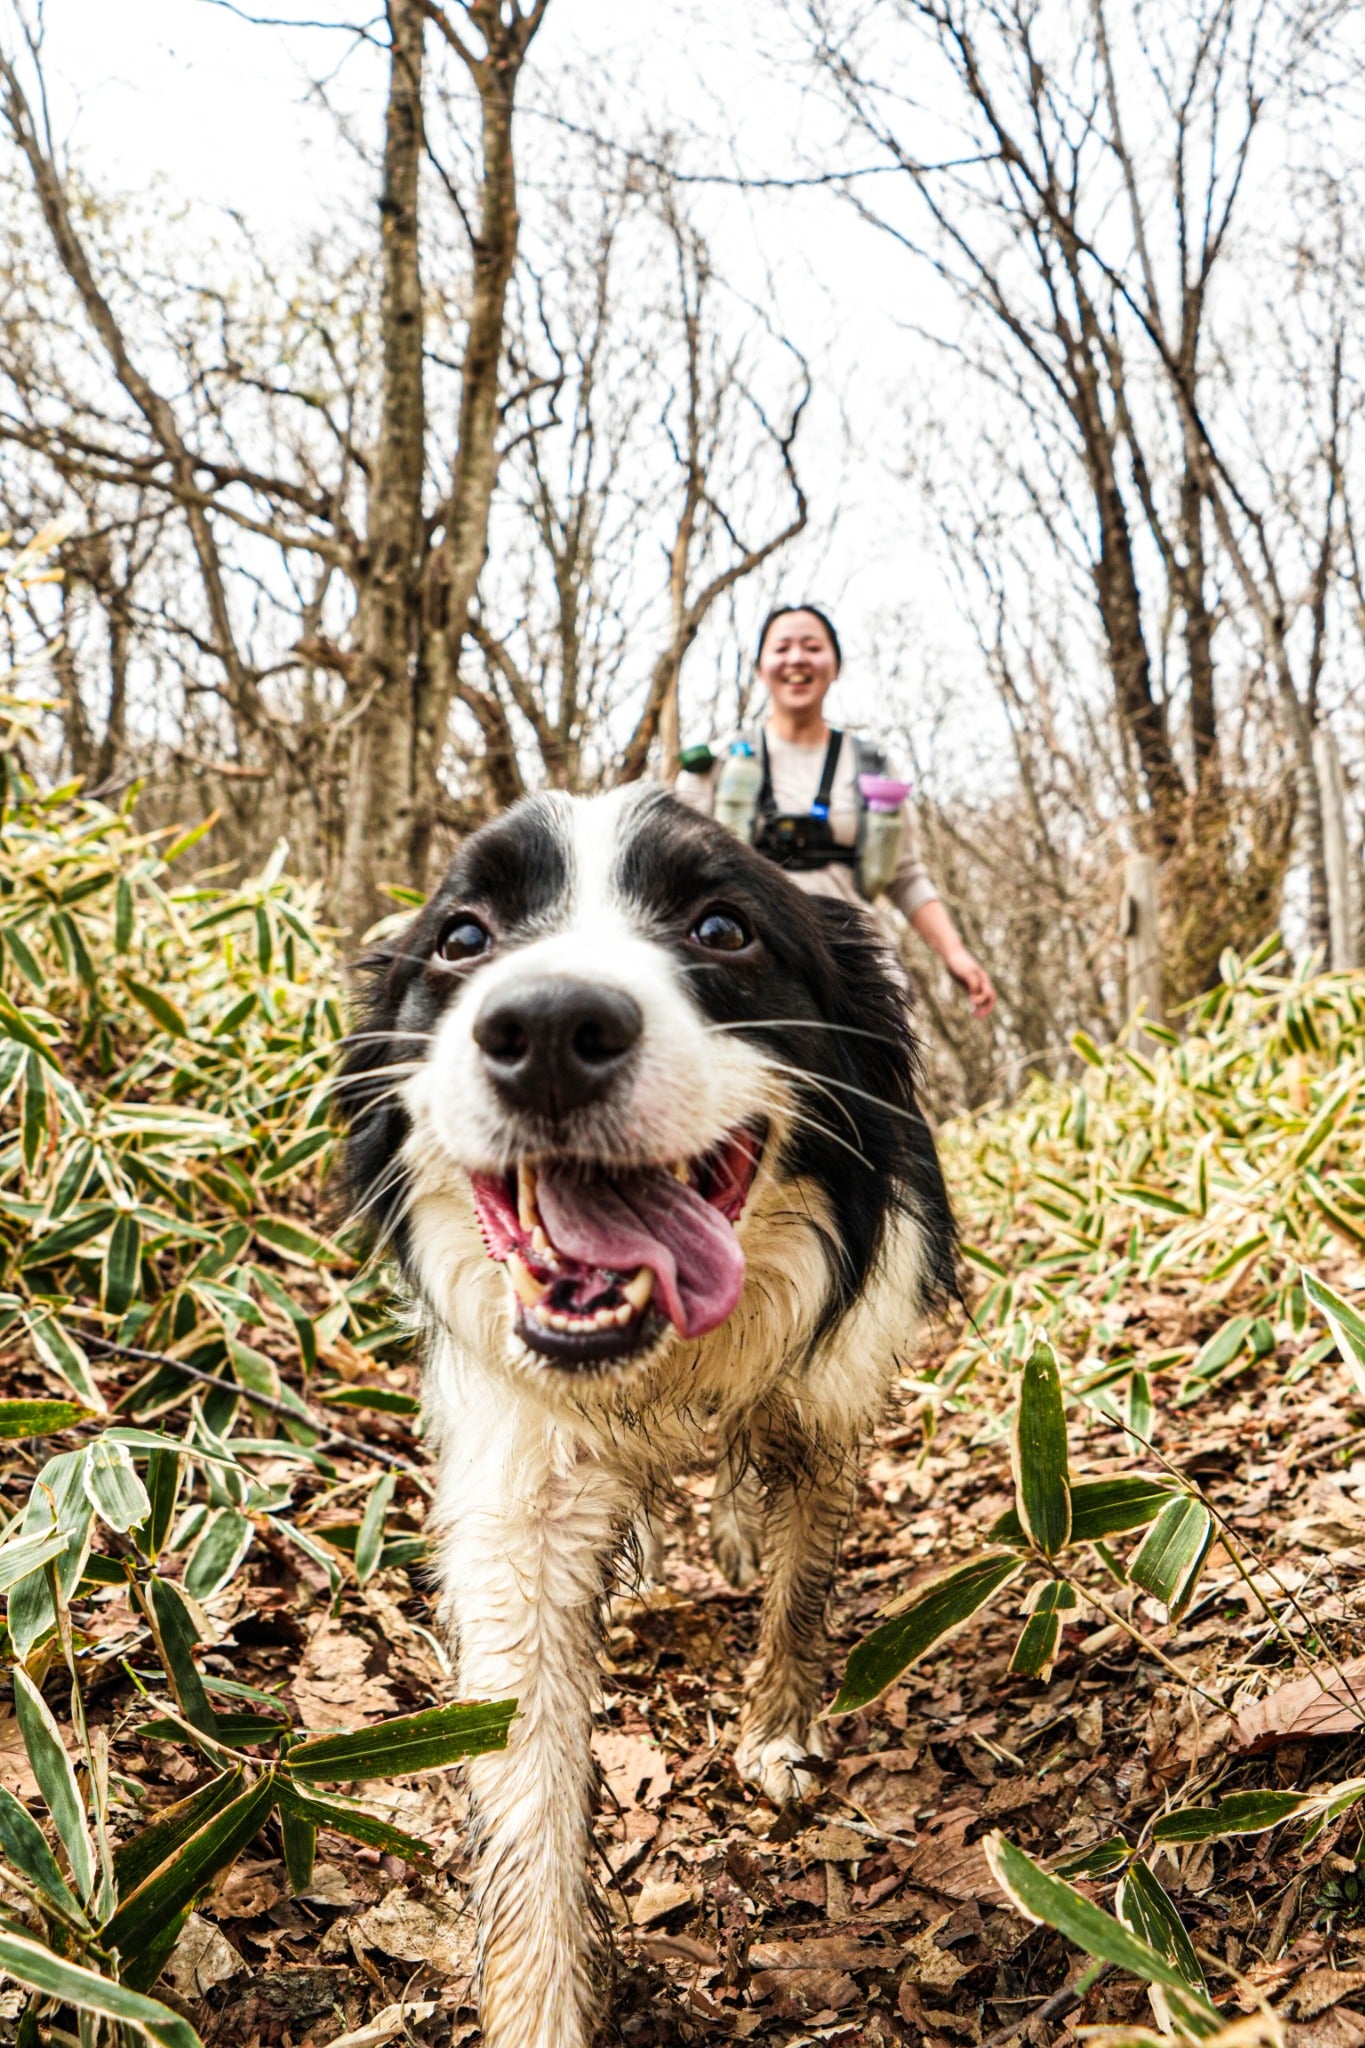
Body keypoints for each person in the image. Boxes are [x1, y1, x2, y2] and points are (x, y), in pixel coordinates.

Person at [675, 604, 996, 1018]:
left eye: (812, 647)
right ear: (760, 668)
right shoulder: (717, 765)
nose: (797, 659)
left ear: (836, 666)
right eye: (782, 648)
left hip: (854, 969)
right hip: (745, 974)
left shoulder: (873, 767)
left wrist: (956, 954)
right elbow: (677, 875)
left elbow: (905, 874)